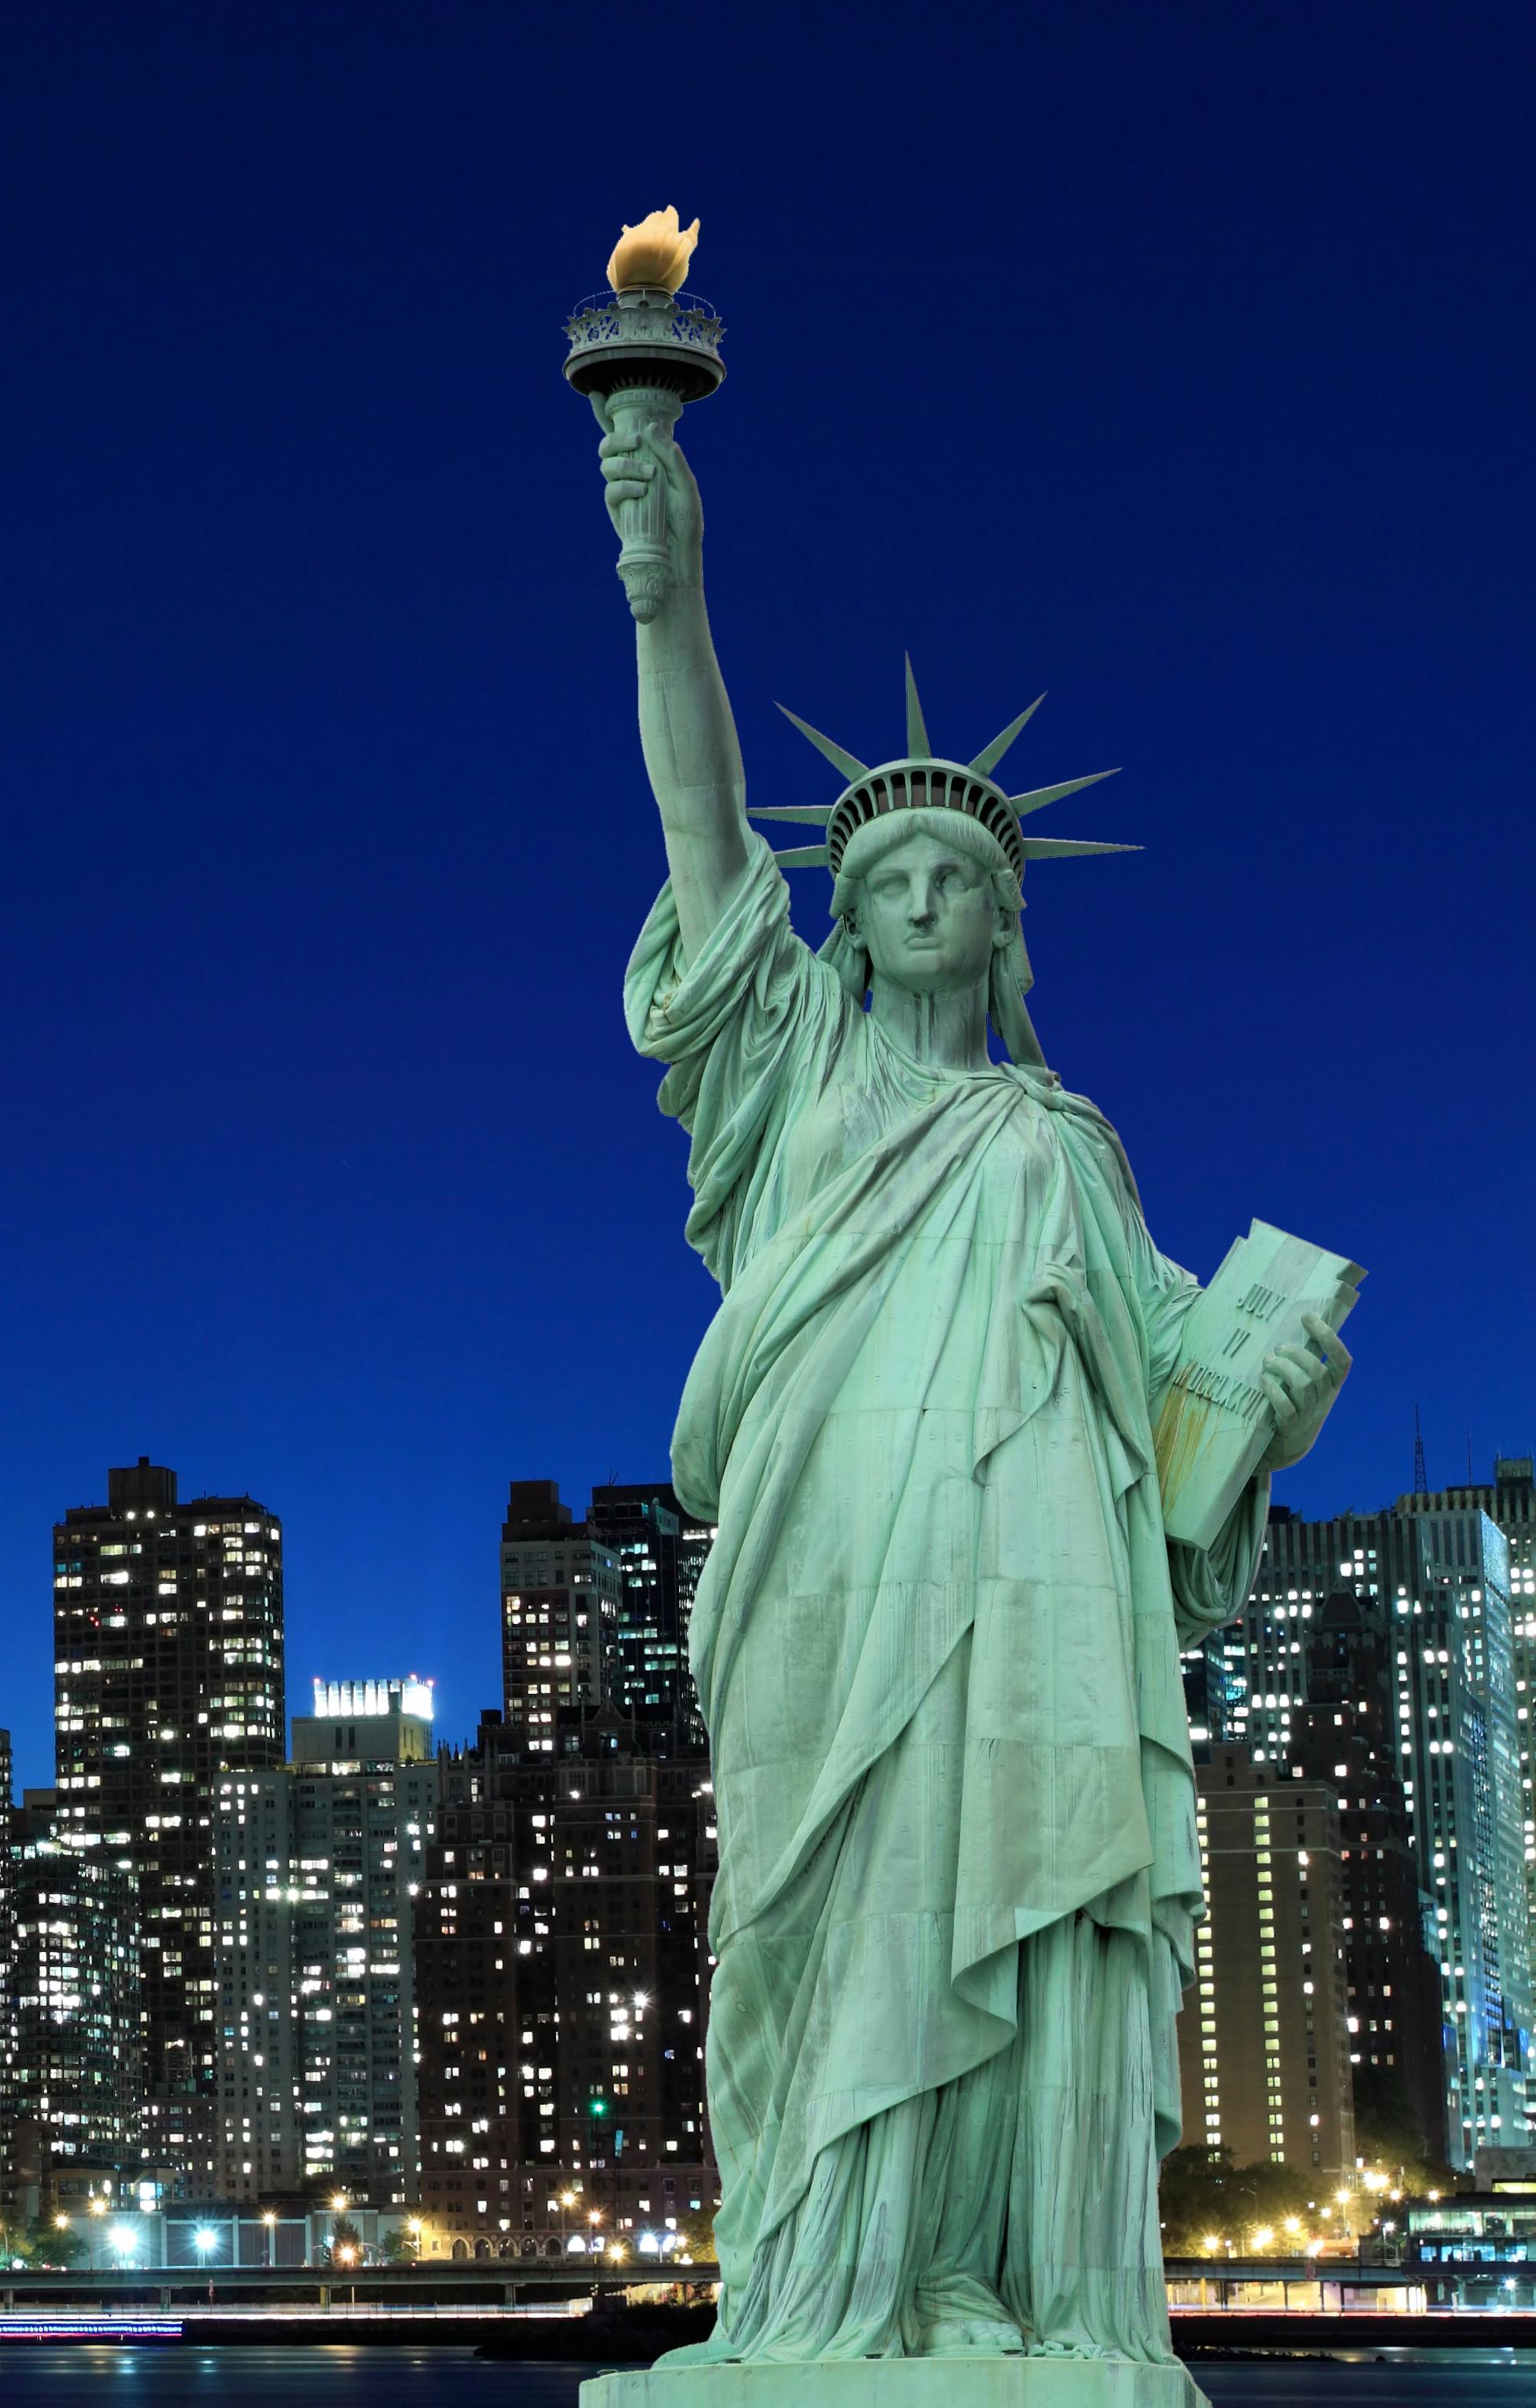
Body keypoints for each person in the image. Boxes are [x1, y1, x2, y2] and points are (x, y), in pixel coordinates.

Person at [595, 395, 1347, 2364]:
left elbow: (1174, 1383)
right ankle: (830, 2286)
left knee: (990, 1892)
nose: (923, 902)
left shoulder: (1065, 1148)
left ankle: (985, 2275)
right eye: (890, 881)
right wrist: (666, 590)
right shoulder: (799, 1077)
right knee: (827, 1920)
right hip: (826, 1574)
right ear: (845, 925)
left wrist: (1271, 1370)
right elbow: (699, 823)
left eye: (959, 881)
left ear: (1005, 925)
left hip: (1026, 1603)